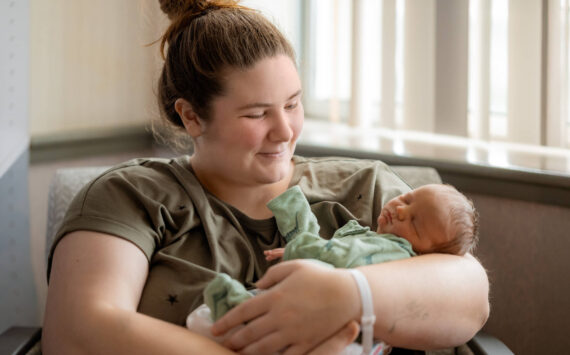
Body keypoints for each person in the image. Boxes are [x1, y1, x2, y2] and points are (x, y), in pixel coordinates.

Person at [41, 1, 490, 354]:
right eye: (257, 113)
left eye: (293, 104)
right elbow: (77, 333)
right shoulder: (131, 197)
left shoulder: (368, 190)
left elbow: (470, 298)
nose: (286, 130)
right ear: (192, 116)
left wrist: (346, 295)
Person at [186, 183, 479, 354]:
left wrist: (298, 249)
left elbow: (338, 255)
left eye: (414, 222)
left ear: (426, 252)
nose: (401, 209)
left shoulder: (393, 250)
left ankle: (236, 310)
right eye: (407, 198)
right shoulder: (375, 240)